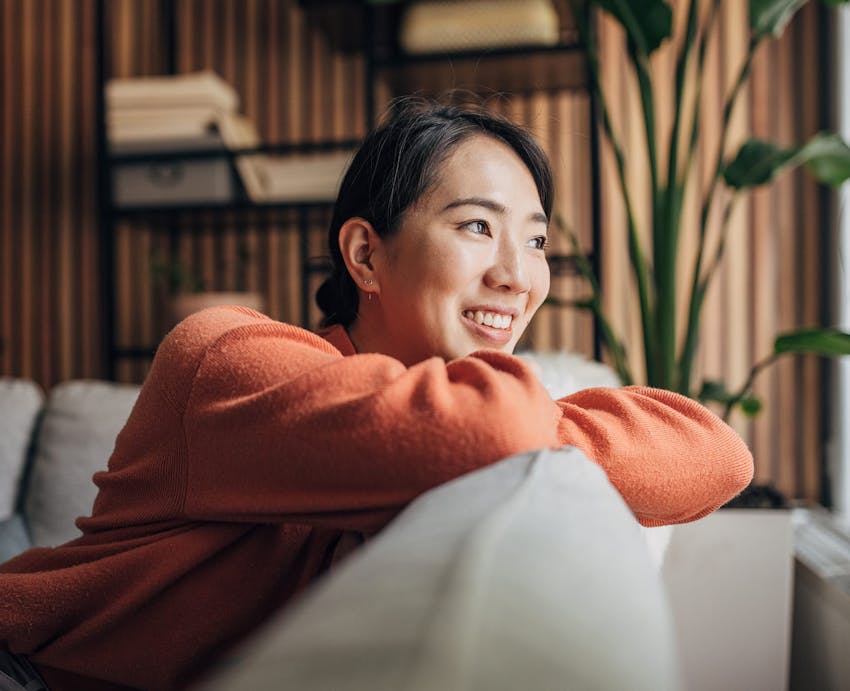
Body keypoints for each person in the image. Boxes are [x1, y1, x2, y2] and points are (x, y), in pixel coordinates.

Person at [0, 99, 753, 691]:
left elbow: (718, 452)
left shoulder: (454, 412)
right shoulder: (226, 356)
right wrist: (525, 421)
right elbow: (494, 424)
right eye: (478, 226)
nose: (518, 277)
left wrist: (531, 425)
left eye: (534, 240)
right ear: (366, 253)